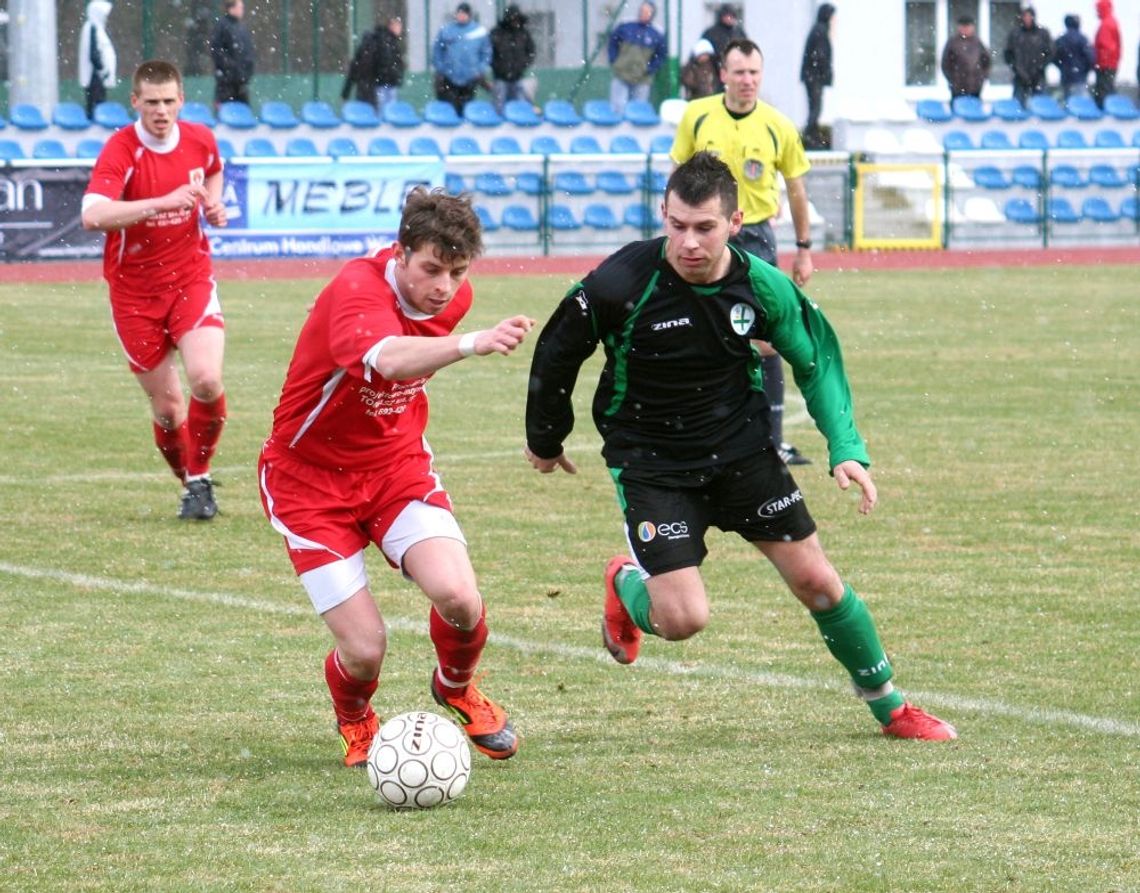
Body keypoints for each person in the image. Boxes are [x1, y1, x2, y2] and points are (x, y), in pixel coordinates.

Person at [523, 151, 957, 743]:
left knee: (819, 583)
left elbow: (815, 359)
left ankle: (892, 707)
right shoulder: (622, 280)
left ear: (736, 221)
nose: (689, 243)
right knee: (682, 620)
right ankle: (626, 582)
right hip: (652, 462)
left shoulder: (762, 285)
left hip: (741, 454)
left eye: (704, 228)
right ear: (663, 215)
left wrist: (845, 447)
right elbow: (557, 350)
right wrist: (545, 438)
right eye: (677, 226)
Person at [257, 187, 531, 768]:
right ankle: (355, 717)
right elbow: (389, 359)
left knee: (460, 597)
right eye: (431, 269)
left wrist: (460, 330)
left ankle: (455, 687)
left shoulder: (451, 300)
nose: (444, 287)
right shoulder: (356, 292)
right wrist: (472, 343)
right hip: (308, 484)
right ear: (400, 253)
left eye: (457, 273)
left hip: (394, 468)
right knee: (364, 649)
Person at [80, 60, 229, 521]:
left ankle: (200, 476)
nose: (161, 111)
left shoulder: (200, 138)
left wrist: (212, 202)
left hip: (190, 277)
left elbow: (213, 169)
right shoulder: (121, 149)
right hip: (134, 293)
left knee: (206, 379)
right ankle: (191, 485)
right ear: (136, 102)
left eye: (169, 101)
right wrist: (161, 204)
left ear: (181, 100)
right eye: (152, 102)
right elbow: (93, 215)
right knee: (168, 409)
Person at [671, 38, 814, 467]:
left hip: (755, 236)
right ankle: (686, 427)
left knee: (764, 335)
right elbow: (677, 177)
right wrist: (676, 233)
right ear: (723, 75)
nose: (747, 81)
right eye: (739, 72)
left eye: (754, 73)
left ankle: (771, 439)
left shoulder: (778, 125)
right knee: (688, 326)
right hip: (704, 234)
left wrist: (804, 249)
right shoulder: (697, 116)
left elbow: (796, 187)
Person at [432, 2, 492, 116]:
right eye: (459, 13)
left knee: (467, 107)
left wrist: (480, 69)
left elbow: (486, 52)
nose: (461, 16)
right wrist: (441, 67)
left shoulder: (478, 31)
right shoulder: (447, 30)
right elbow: (437, 50)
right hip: (449, 77)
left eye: (464, 14)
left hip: (470, 77)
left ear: (469, 15)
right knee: (450, 106)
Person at [607, 1, 666, 117]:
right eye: (642, 10)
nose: (644, 14)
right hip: (621, 74)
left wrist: (649, 69)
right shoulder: (625, 26)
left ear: (652, 14)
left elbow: (661, 55)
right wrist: (614, 60)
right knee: (617, 109)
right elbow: (612, 43)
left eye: (648, 11)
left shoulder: (657, 33)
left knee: (638, 111)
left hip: (642, 78)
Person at [490, 5, 538, 114]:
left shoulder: (523, 34)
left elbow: (531, 51)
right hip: (500, 77)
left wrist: (523, 64)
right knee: (499, 106)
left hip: (518, 77)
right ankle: (499, 128)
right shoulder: (497, 33)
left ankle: (518, 128)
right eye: (512, 18)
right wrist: (497, 67)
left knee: (520, 106)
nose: (514, 21)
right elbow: (489, 53)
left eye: (517, 18)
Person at [799, 4, 835, 150]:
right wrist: (825, 72)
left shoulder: (819, 29)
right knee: (816, 108)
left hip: (812, 75)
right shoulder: (820, 30)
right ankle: (809, 138)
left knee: (814, 107)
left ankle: (812, 138)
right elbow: (820, 56)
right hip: (814, 76)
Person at [1003, 6, 1052, 107]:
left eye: (1029, 16)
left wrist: (1040, 68)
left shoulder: (1042, 34)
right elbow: (1008, 54)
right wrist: (1016, 68)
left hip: (1038, 75)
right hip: (1020, 76)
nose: (1027, 19)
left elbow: (1050, 53)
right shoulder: (1015, 34)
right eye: (1025, 16)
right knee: (1018, 105)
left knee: (1040, 105)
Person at [210, 0, 255, 107]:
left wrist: (246, 72)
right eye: (240, 7)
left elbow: (248, 53)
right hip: (226, 83)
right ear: (231, 8)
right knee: (225, 112)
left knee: (243, 114)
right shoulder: (222, 26)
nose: (242, 10)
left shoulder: (242, 28)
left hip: (242, 82)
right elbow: (216, 50)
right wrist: (230, 67)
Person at [78, 0, 117, 119]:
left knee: (99, 106)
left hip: (98, 77)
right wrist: (102, 69)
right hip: (94, 77)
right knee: (95, 108)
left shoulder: (98, 28)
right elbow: (93, 53)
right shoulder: (92, 27)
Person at [941, 15, 991, 101]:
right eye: (963, 27)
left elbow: (987, 61)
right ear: (959, 28)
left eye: (968, 27)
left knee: (974, 111)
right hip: (957, 87)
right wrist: (953, 79)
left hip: (975, 86)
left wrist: (982, 78)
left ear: (972, 28)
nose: (965, 29)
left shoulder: (977, 42)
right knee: (958, 109)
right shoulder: (952, 42)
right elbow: (945, 64)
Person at [1052, 14, 1095, 100]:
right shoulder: (1083, 39)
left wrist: (1062, 67)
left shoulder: (1061, 39)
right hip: (1080, 78)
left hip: (1065, 77)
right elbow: (1091, 58)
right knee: (1080, 105)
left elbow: (1053, 56)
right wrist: (1085, 70)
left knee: (1067, 103)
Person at [699, 3, 746, 70]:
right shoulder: (711, 32)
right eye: (727, 16)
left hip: (735, 67)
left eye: (731, 16)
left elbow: (746, 48)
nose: (729, 18)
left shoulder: (739, 32)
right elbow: (702, 50)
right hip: (715, 69)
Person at [1092, 0, 1121, 108]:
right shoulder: (1112, 22)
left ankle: (1105, 113)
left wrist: (1099, 63)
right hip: (1111, 64)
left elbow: (1105, 47)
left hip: (1105, 65)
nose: (1096, 12)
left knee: (1103, 93)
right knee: (1109, 89)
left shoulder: (1106, 24)